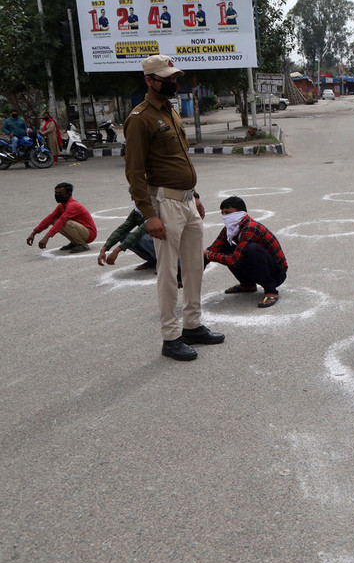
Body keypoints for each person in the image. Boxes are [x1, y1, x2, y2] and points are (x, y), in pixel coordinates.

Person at [123, 54, 224, 362]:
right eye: (167, 79)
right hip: (164, 204)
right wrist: (149, 215)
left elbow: (180, 160)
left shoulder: (171, 111)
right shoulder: (140, 118)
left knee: (194, 266)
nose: (173, 83)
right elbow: (134, 173)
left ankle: (192, 325)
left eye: (174, 78)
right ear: (149, 81)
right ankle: (170, 337)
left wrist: (195, 195)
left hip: (187, 200)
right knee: (168, 273)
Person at [204, 196, 288, 309]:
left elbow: (234, 260)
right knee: (224, 247)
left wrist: (209, 255)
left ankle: (271, 290)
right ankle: (248, 285)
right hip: (259, 267)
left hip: (277, 273)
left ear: (240, 212)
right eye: (222, 213)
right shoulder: (229, 229)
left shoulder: (250, 227)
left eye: (228, 212)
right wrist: (195, 266)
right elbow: (213, 249)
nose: (224, 216)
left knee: (251, 249)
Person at [26, 182, 97, 253]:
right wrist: (34, 233)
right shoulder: (61, 205)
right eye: (56, 193)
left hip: (89, 234)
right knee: (54, 221)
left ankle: (82, 245)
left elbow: (62, 221)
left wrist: (46, 237)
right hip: (83, 231)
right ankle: (75, 242)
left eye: (60, 193)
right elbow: (49, 218)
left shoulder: (73, 205)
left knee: (63, 222)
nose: (57, 195)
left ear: (69, 194)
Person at [98, 204, 157, 271]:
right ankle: (153, 261)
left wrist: (117, 250)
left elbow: (138, 233)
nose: (133, 200)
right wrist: (104, 249)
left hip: (164, 242)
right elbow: (121, 230)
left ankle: (163, 262)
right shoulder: (137, 212)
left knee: (142, 238)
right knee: (124, 236)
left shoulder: (154, 210)